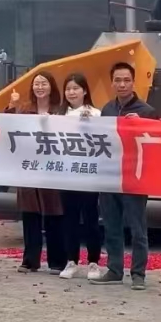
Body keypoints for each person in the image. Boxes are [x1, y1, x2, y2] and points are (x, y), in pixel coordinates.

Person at [95, 61, 158, 288]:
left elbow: (156, 144)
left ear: (133, 82)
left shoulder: (147, 111)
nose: (122, 84)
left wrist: (141, 126)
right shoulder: (106, 110)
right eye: (118, 80)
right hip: (110, 176)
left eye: (126, 80)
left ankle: (138, 273)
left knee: (137, 228)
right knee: (111, 225)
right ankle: (114, 269)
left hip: (135, 178)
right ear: (112, 83)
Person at [8, 73, 66, 274]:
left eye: (44, 83)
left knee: (54, 214)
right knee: (30, 214)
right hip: (29, 167)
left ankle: (57, 261)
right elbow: (7, 126)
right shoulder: (25, 109)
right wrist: (12, 106)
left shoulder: (61, 110)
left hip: (53, 168)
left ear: (52, 87)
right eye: (36, 84)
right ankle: (30, 260)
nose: (40, 87)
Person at [58, 73, 102, 280]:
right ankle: (71, 261)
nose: (71, 92)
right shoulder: (59, 115)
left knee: (91, 219)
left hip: (88, 173)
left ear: (85, 91)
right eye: (68, 89)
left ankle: (94, 262)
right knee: (70, 220)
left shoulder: (96, 113)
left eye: (76, 88)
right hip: (66, 174)